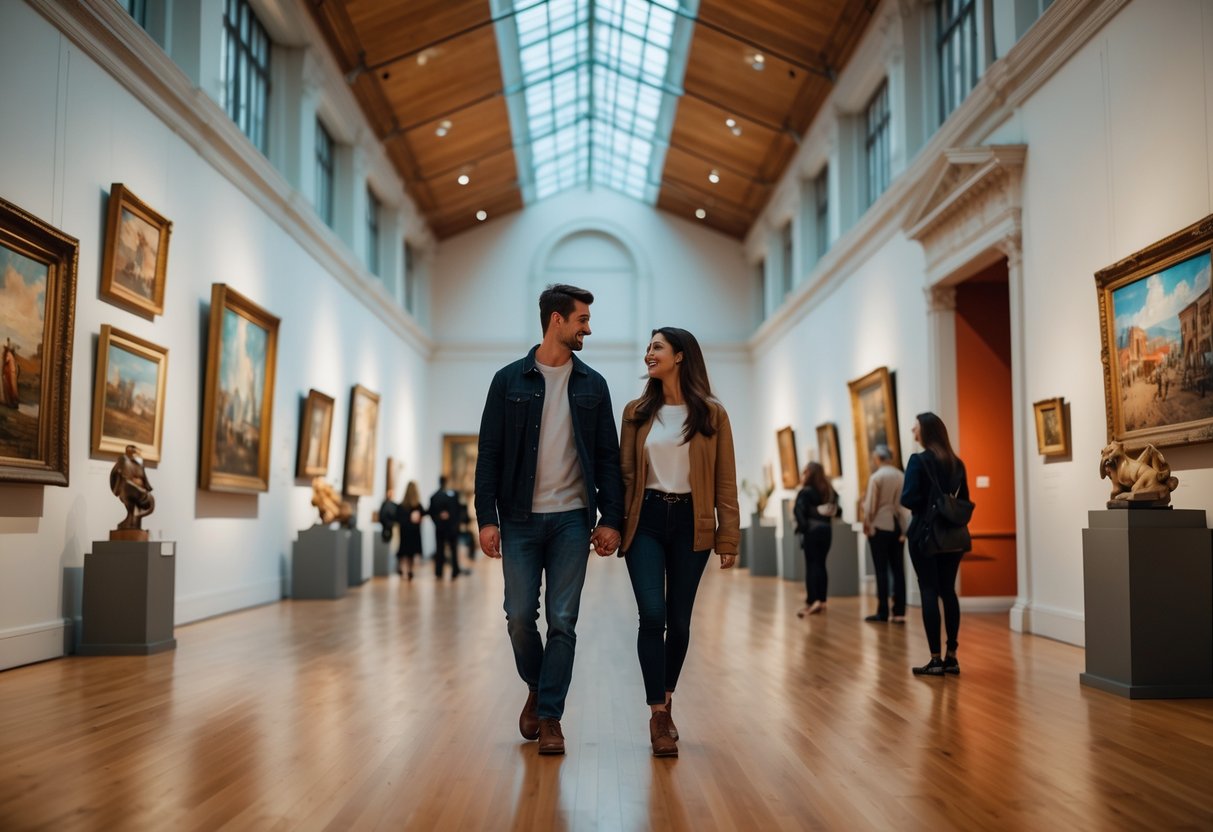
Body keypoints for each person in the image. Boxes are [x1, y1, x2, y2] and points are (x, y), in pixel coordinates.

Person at [475, 283, 624, 756]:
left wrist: (610, 517)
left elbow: (607, 458)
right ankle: (539, 687)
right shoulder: (508, 381)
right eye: (582, 319)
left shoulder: (593, 385)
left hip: (570, 522)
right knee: (519, 617)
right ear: (556, 320)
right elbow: (489, 454)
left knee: (563, 620)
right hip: (518, 518)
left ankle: (551, 716)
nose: (588, 328)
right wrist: (486, 517)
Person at [619, 327, 739, 757]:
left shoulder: (710, 415)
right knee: (652, 615)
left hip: (692, 522)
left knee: (680, 622)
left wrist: (729, 536)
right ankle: (657, 714)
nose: (649, 354)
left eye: (657, 348)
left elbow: (725, 480)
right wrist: (612, 523)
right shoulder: (635, 413)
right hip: (646, 520)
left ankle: (667, 699)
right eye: (649, 348)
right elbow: (626, 477)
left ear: (681, 356)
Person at [900, 412, 970, 676]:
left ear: (925, 432)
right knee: (948, 592)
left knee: (928, 590)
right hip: (952, 535)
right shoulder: (957, 463)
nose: (912, 430)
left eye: (915, 427)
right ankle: (952, 655)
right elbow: (965, 500)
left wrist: (927, 505)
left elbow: (908, 498)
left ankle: (935, 659)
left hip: (924, 533)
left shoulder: (918, 461)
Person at [862, 445, 911, 623]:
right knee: (898, 569)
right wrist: (904, 530)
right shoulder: (901, 475)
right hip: (896, 525)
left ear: (877, 458)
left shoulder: (877, 477)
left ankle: (882, 611)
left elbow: (871, 505)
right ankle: (899, 611)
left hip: (880, 525)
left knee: (881, 569)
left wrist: (867, 523)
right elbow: (904, 506)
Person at [793, 461, 839, 617]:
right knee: (821, 564)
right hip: (827, 532)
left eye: (805, 472)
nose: (802, 475)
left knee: (812, 565)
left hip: (812, 533)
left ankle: (813, 601)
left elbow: (799, 512)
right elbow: (837, 510)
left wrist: (805, 528)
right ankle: (823, 600)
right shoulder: (829, 491)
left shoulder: (805, 492)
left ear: (810, 473)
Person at [429, 477, 464, 579]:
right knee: (453, 550)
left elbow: (431, 513)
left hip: (440, 527)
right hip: (451, 527)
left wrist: (437, 521)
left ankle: (439, 572)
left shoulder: (434, 496)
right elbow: (459, 511)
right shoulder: (453, 495)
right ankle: (455, 570)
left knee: (440, 550)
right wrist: (456, 523)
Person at [397, 480, 425, 580]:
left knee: (403, 549)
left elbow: (398, 518)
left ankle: (400, 567)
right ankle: (409, 570)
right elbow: (423, 515)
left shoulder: (402, 506)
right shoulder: (418, 505)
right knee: (410, 553)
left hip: (404, 531)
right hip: (413, 531)